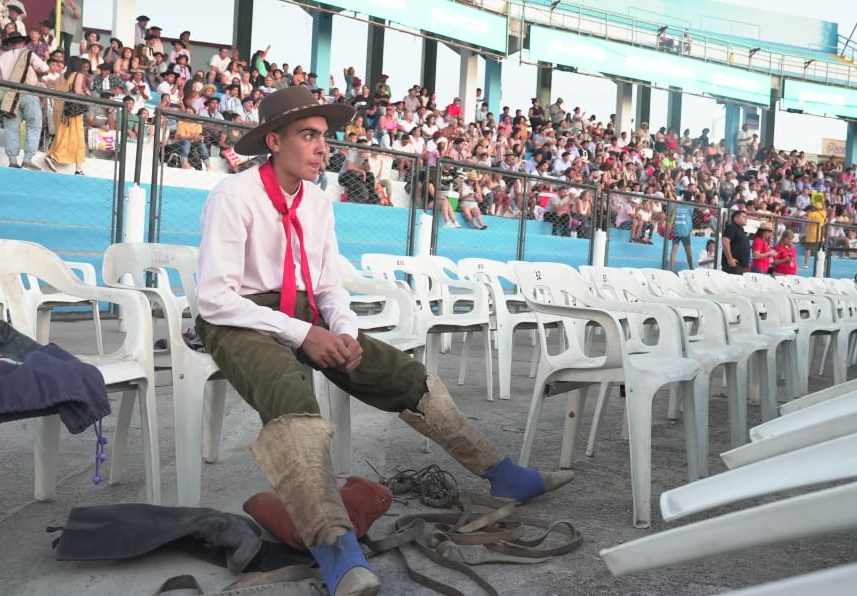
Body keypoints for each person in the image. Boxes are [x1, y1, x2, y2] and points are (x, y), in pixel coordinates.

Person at [193, 85, 573, 596]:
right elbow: (214, 298)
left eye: (324, 137)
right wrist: (306, 334)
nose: (322, 147)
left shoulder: (319, 202)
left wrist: (344, 332)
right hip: (238, 316)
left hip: (302, 309)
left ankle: (501, 472)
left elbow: (327, 286)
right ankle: (334, 549)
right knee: (290, 394)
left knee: (401, 374)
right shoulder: (234, 194)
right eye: (308, 136)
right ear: (274, 140)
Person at [0, 31, 50, 170]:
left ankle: (12, 160)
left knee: (11, 128)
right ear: (23, 43)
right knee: (34, 125)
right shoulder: (28, 54)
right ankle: (28, 159)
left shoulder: (1, 58)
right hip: (28, 92)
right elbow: (45, 68)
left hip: (9, 95)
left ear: (10, 43)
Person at [44, 56, 88, 175]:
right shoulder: (78, 75)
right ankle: (53, 156)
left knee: (64, 135)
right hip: (71, 110)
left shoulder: (59, 78)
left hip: (58, 110)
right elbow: (78, 91)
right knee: (76, 137)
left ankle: (78, 168)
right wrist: (86, 94)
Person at [721, 209, 750, 274]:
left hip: (742, 266)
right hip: (734, 265)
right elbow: (725, 241)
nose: (746, 219)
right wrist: (730, 259)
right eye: (743, 216)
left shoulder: (741, 230)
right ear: (736, 218)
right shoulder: (732, 227)